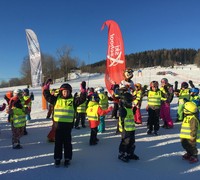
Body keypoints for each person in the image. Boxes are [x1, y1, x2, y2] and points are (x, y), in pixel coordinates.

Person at [43, 79, 87, 167]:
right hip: (58, 126)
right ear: (61, 92)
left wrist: (83, 91)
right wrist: (46, 87)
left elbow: (82, 99)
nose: (65, 93)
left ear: (70, 92)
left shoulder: (73, 101)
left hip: (68, 127)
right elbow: (47, 96)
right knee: (58, 143)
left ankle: (67, 158)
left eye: (67, 91)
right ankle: (57, 158)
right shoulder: (56, 99)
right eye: (63, 92)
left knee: (67, 143)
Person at [118, 92, 139, 162]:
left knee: (132, 142)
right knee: (125, 142)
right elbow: (122, 115)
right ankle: (122, 154)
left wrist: (135, 109)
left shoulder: (128, 108)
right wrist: (121, 105)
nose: (131, 103)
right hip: (125, 130)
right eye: (129, 101)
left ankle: (130, 153)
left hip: (131, 129)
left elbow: (130, 114)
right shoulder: (123, 109)